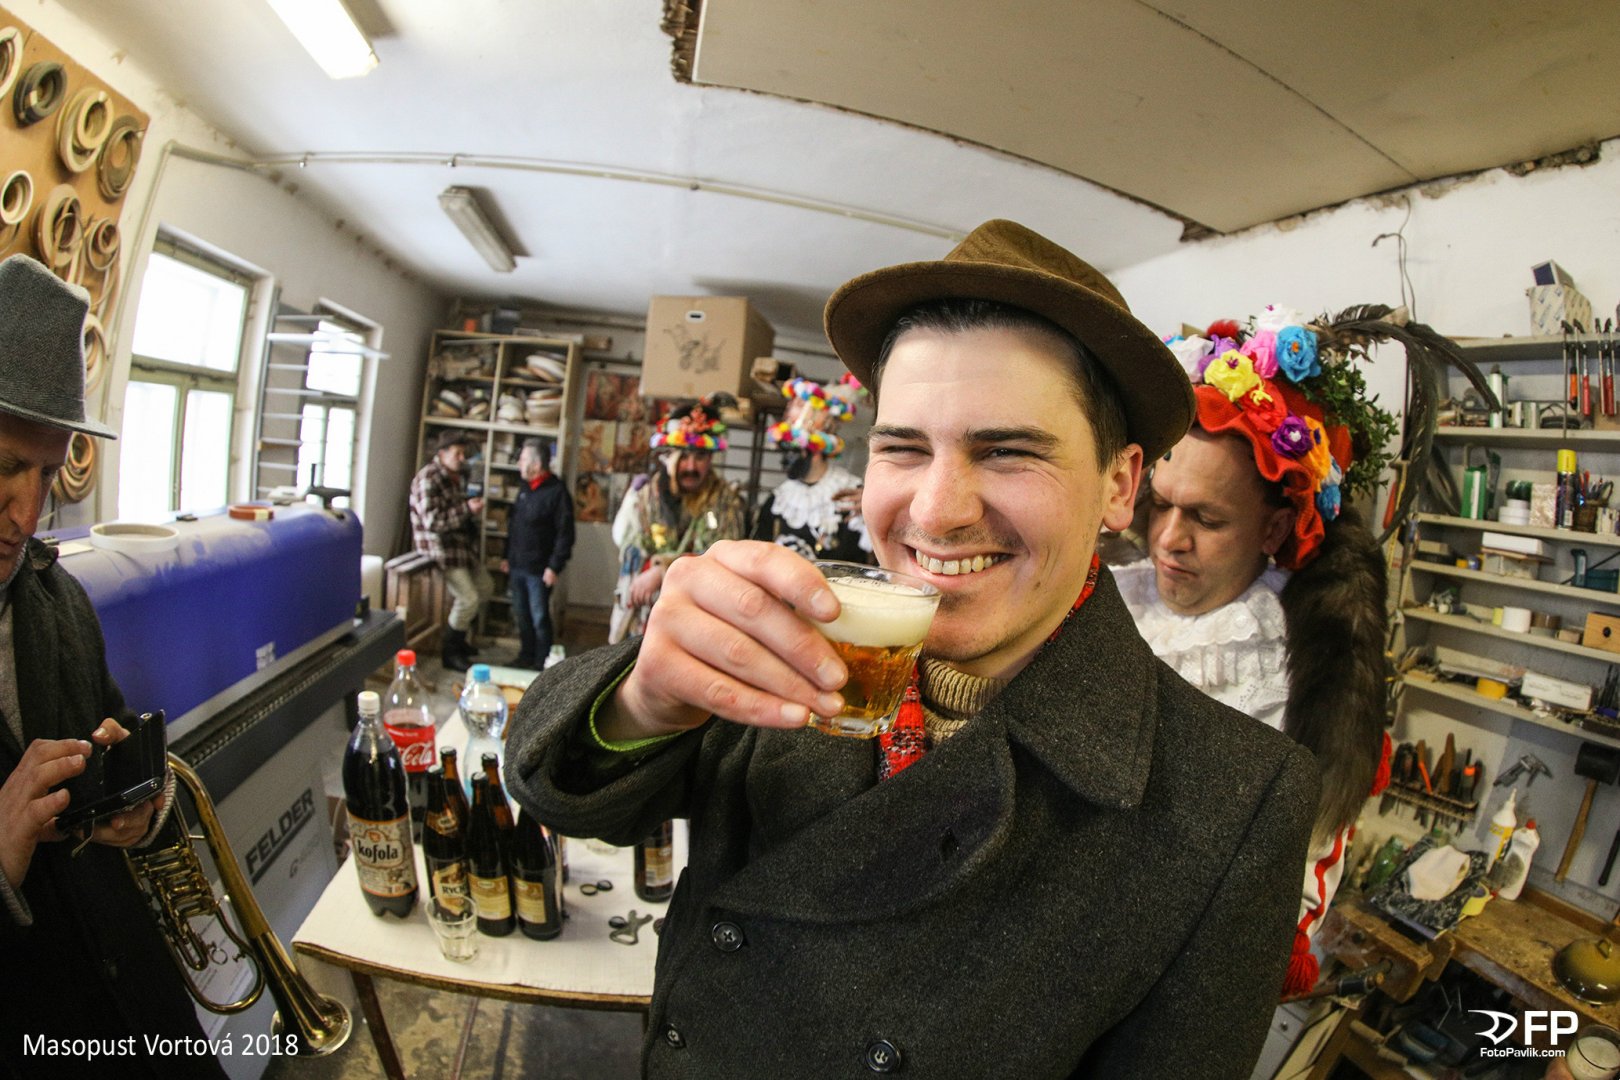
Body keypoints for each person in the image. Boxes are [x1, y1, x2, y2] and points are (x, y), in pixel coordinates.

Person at [508, 220, 1319, 1078]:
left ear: (1118, 486)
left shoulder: (1235, 806)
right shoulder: (791, 640)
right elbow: (565, 801)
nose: (934, 512)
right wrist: (641, 700)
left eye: (1007, 452)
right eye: (902, 447)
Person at [1113, 305, 1401, 998]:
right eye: (1163, 504)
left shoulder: (1289, 673)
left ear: (1273, 529)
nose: (1168, 540)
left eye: (1207, 518)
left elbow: (1272, 902)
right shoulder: (1113, 593)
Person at [0, 254, 226, 1078]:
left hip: (135, 1012)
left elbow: (119, 736)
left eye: (48, 472)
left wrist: (140, 802)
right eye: (5, 467)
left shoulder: (58, 600)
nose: (28, 513)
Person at [607, 396, 748, 643]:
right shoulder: (646, 496)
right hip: (643, 618)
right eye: (683, 456)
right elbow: (629, 545)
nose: (691, 466)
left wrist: (662, 568)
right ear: (667, 456)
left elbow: (720, 557)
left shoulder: (725, 501)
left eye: (700, 457)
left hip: (696, 618)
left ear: (710, 458)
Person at [750, 374, 873, 563]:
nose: (784, 460)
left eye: (793, 449)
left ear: (815, 448)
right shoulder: (778, 502)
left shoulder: (852, 496)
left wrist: (872, 511)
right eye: (784, 449)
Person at [409, 429, 490, 671]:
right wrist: (467, 509)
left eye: (463, 454)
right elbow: (433, 522)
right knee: (468, 599)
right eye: (457, 453)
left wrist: (468, 509)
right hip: (440, 550)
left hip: (460, 547)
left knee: (485, 587)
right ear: (442, 453)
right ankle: (450, 651)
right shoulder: (429, 477)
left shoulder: (453, 476)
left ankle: (460, 639)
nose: (462, 458)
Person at [501, 438, 574, 669]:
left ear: (536, 464)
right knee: (521, 615)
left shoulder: (557, 492)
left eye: (523, 459)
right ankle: (526, 656)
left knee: (540, 617)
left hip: (540, 570)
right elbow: (514, 526)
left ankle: (542, 663)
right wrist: (506, 556)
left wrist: (554, 566)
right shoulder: (525, 488)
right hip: (517, 565)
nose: (519, 464)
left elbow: (565, 534)